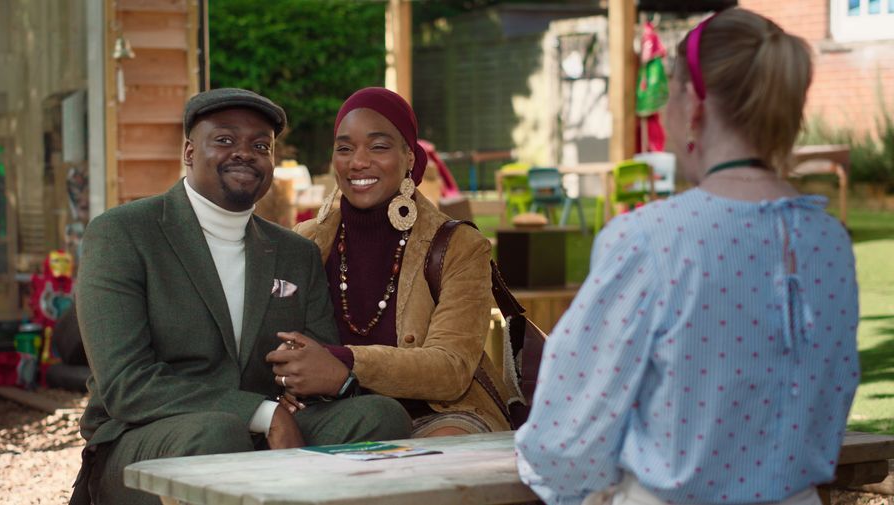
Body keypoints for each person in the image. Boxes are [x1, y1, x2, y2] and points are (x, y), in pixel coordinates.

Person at [516, 8, 860, 505]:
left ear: (693, 103)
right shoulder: (829, 241)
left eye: (667, 93)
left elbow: (566, 434)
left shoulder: (652, 238)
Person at [72, 88, 412, 505]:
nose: (245, 153)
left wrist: (306, 383)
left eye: (260, 145)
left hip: (264, 432)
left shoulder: (294, 252)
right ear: (189, 151)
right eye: (225, 140)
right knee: (217, 432)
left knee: (378, 417)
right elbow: (128, 385)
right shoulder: (124, 234)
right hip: (148, 439)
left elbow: (313, 360)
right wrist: (263, 413)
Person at [268, 87, 513, 438]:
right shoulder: (306, 241)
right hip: (339, 414)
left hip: (440, 416)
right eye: (345, 148)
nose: (358, 161)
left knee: (423, 464)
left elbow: (451, 368)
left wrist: (343, 363)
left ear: (410, 157)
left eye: (378, 146)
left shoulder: (459, 246)